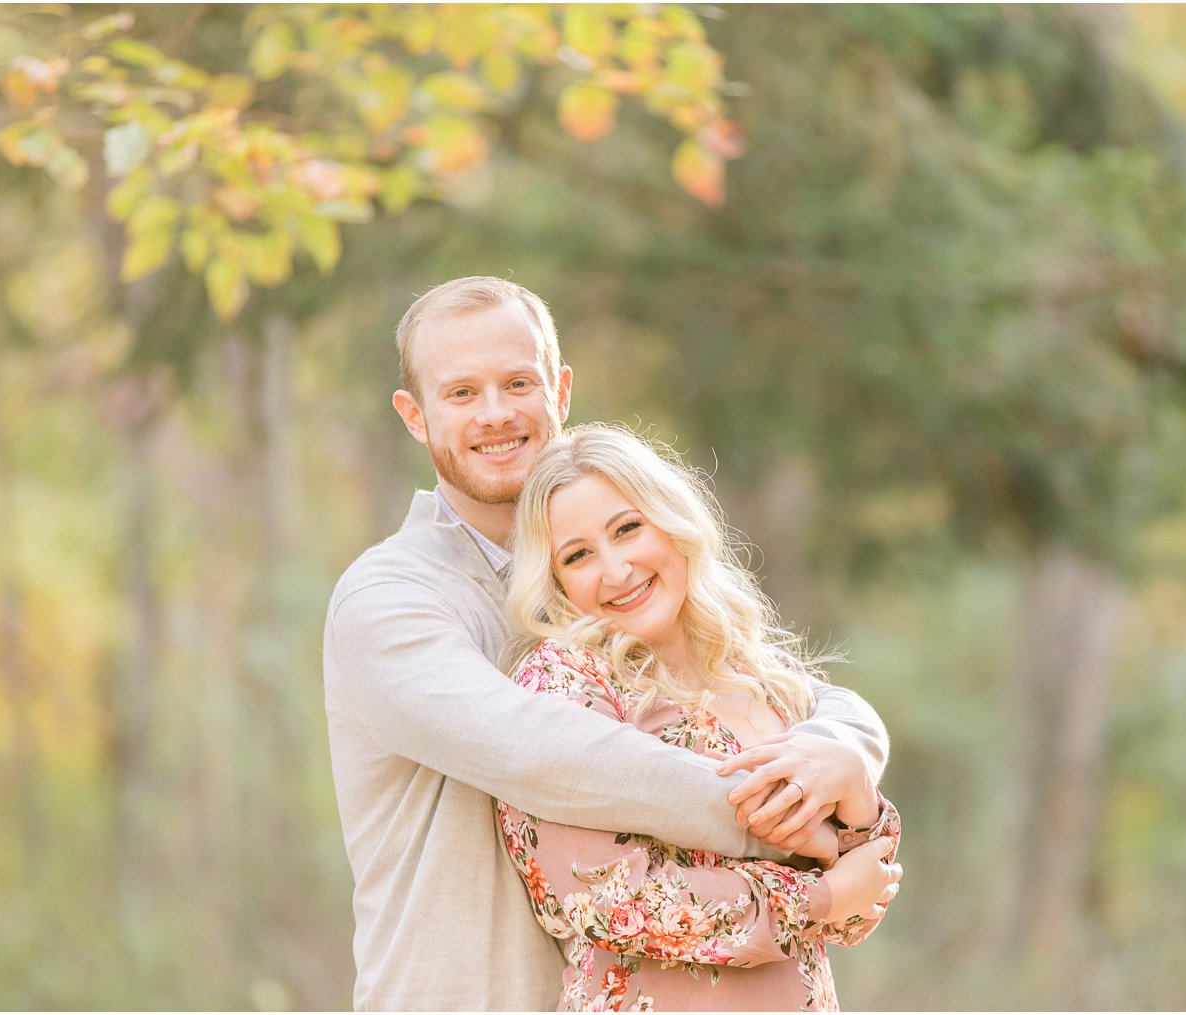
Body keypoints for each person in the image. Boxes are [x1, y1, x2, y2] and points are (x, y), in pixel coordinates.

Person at [323, 277, 897, 1010]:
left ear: (559, 389)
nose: (495, 413)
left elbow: (779, 689)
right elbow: (541, 752)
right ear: (415, 415)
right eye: (461, 393)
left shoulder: (615, 596)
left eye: (517, 382)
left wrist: (848, 744)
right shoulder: (391, 598)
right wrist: (783, 822)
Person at [499, 423, 902, 1011]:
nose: (615, 570)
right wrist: (813, 901)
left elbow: (863, 899)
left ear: (671, 520)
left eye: (627, 528)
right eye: (579, 555)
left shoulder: (761, 670)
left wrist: (853, 776)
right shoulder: (561, 683)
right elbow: (598, 895)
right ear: (555, 579)